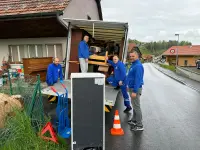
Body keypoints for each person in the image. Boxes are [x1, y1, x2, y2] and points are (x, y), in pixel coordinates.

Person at [127, 50, 144, 131]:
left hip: (135, 89)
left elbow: (138, 80)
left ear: (137, 56)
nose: (131, 58)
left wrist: (134, 91)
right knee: (134, 105)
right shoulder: (133, 64)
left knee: (137, 107)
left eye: (133, 56)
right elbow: (131, 77)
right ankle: (134, 120)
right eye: (130, 56)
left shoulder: (138, 66)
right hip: (132, 87)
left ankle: (140, 125)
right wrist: (128, 85)